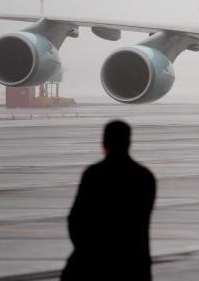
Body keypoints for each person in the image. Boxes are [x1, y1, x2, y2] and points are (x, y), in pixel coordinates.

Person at [61, 120, 157, 281]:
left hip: (95, 265)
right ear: (129, 143)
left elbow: (75, 220)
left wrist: (86, 252)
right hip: (134, 266)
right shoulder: (145, 177)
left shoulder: (94, 175)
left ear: (103, 143)